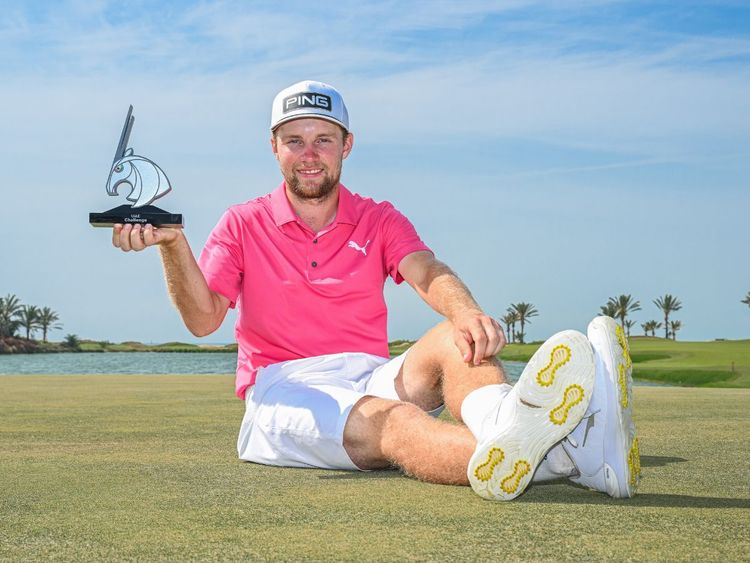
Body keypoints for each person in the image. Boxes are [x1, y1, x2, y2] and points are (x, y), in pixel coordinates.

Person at [112, 80, 640, 500]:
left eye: (324, 138)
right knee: (398, 424)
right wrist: (172, 244)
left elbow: (426, 269)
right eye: (295, 140)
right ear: (274, 148)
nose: (310, 153)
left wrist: (468, 312)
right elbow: (204, 320)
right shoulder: (241, 223)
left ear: (347, 145)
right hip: (285, 388)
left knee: (455, 338)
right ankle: (571, 453)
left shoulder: (378, 217)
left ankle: (513, 425)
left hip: (370, 373)